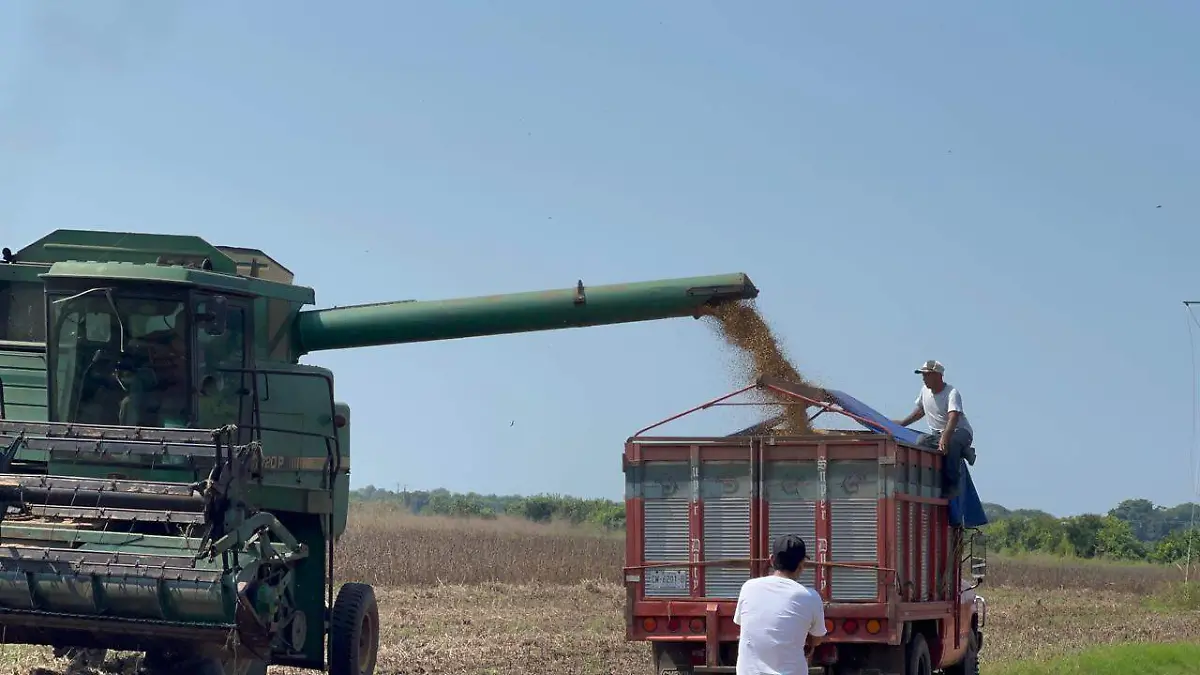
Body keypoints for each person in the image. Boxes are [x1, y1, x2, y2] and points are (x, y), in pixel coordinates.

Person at [733, 534, 827, 675]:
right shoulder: (810, 597)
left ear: (772, 560)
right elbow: (817, 639)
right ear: (802, 565)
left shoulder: (748, 587)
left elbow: (741, 622)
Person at [894, 359, 975, 498]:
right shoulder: (924, 391)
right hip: (938, 434)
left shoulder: (951, 393)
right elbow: (920, 411)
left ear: (938, 375)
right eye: (923, 375)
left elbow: (953, 417)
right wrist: (902, 423)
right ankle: (964, 452)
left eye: (927, 375)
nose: (924, 378)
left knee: (951, 442)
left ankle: (951, 486)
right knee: (921, 441)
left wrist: (945, 437)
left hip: (960, 432)